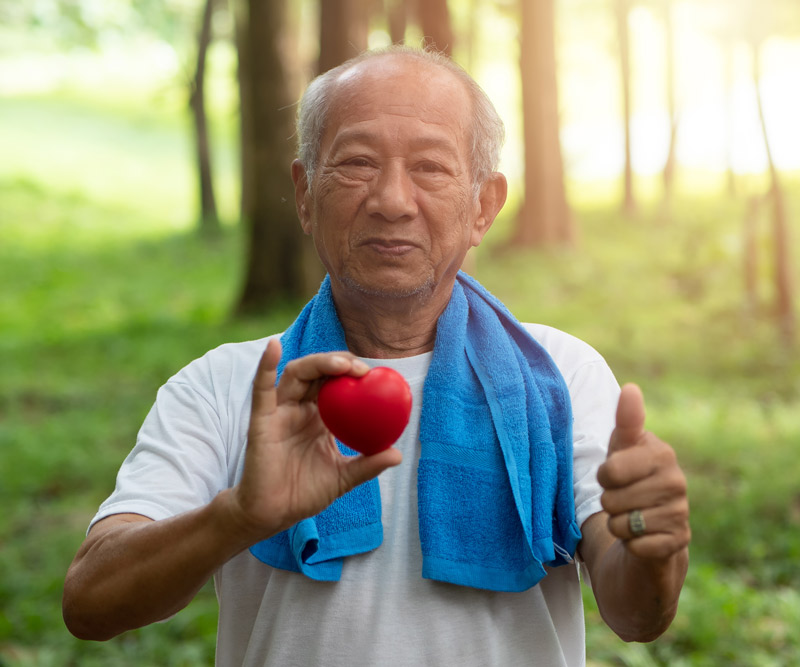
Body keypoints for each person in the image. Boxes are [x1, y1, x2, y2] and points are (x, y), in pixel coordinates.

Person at [63, 46, 690, 666]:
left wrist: (649, 545)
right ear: (305, 195)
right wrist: (236, 516)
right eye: (357, 163)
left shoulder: (559, 375)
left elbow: (636, 614)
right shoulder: (230, 385)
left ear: (483, 205)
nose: (392, 199)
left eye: (431, 168)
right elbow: (90, 603)